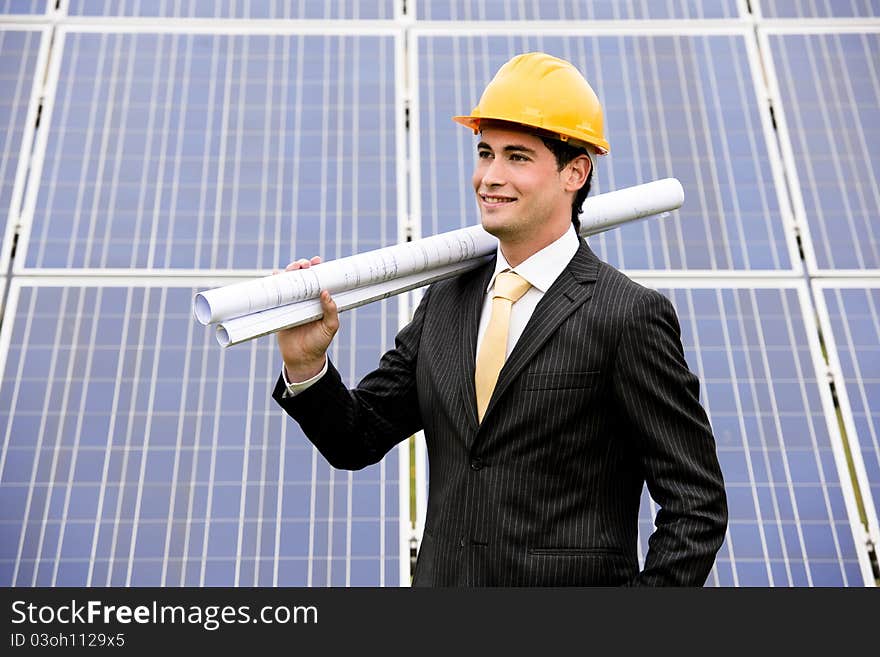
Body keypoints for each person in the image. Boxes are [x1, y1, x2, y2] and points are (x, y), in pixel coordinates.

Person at [272, 52, 728, 586]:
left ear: (574, 172)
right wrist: (307, 365)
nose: (490, 176)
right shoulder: (446, 301)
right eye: (485, 152)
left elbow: (696, 507)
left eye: (517, 157)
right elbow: (357, 440)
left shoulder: (627, 316)